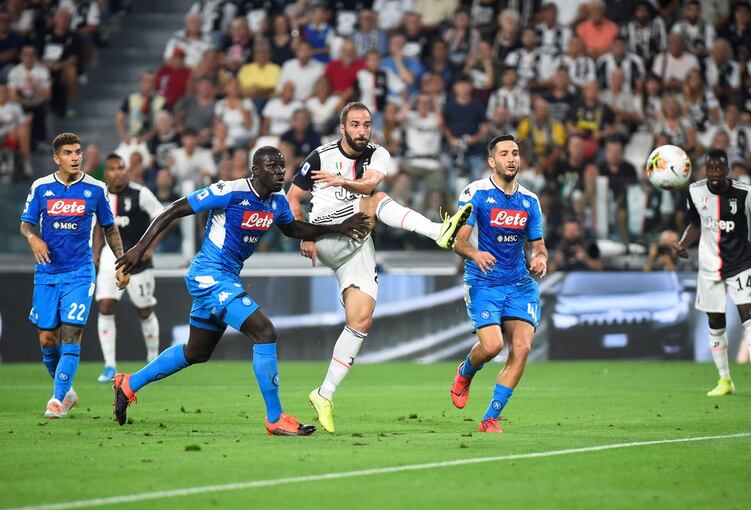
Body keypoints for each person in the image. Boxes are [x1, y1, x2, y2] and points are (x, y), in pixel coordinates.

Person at [111, 145, 370, 435]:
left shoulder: (277, 202)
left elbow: (295, 229)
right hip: (209, 276)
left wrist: (339, 227)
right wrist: (139, 248)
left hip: (227, 277)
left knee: (196, 351)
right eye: (272, 167)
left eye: (282, 167)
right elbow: (173, 209)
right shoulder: (230, 191)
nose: (280, 172)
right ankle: (275, 418)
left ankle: (128, 383)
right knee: (265, 332)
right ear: (255, 170)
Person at [287, 102, 473, 433]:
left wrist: (342, 183)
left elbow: (368, 184)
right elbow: (293, 197)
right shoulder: (319, 157)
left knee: (361, 319)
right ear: (342, 128)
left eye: (367, 125)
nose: (362, 131)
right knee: (377, 202)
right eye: (355, 125)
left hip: (358, 241)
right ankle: (438, 232)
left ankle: (324, 394)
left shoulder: (379, 154)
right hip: (328, 233)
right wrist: (304, 232)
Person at [20, 132, 128, 418]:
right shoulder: (42, 188)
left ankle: (57, 399)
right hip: (47, 273)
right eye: (68, 153)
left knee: (72, 334)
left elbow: (109, 228)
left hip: (80, 273)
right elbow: (26, 224)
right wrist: (33, 239)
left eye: (78, 152)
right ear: (56, 158)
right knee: (46, 339)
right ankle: (66, 390)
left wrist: (122, 263)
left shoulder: (95, 189)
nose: (75, 157)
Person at [449, 135, 548, 433]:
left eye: (515, 153)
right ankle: (466, 371)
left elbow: (538, 245)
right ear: (492, 161)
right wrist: (475, 253)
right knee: (492, 346)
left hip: (519, 284)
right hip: (483, 281)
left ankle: (490, 417)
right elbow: (458, 240)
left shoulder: (530, 200)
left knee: (522, 347)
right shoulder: (475, 193)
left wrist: (540, 258)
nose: (511, 158)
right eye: (504, 154)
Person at [673, 149, 751, 397]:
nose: (714, 173)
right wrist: (682, 244)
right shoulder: (695, 191)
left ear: (727, 170)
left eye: (719, 168)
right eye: (710, 168)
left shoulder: (745, 193)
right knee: (715, 324)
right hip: (710, 266)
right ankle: (725, 381)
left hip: (740, 263)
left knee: (749, 317)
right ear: (705, 169)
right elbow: (696, 223)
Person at [93, 154, 164, 383]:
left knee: (144, 310)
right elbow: (97, 225)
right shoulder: (100, 194)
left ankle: (153, 359)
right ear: (107, 173)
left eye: (121, 167)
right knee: (105, 305)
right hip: (109, 256)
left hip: (138, 259)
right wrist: (95, 252)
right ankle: (109, 365)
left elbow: (162, 217)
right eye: (112, 168)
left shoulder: (140, 193)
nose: (117, 172)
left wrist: (151, 247)